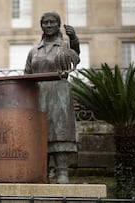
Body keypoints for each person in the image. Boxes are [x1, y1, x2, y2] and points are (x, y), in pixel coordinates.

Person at [24, 12, 80, 184]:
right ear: (42, 26)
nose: (49, 25)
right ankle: (43, 170)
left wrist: (74, 40)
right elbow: (26, 74)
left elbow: (74, 60)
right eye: (45, 22)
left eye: (52, 22)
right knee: (40, 131)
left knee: (60, 129)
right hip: (39, 94)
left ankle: (62, 170)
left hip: (59, 92)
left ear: (58, 25)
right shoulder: (34, 51)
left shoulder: (64, 46)